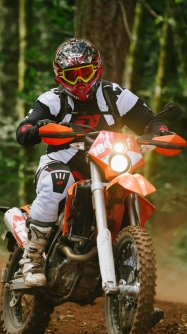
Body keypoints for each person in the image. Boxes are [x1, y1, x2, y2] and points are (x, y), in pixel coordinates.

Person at [16, 38, 171, 287]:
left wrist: (161, 131)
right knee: (57, 183)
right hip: (64, 161)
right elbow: (23, 130)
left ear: (96, 69)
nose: (79, 82)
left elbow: (150, 121)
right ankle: (32, 258)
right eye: (72, 75)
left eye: (84, 73)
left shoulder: (115, 95)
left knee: (128, 184)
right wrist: (38, 129)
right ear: (60, 76)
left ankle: (137, 282)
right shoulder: (52, 100)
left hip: (109, 162)